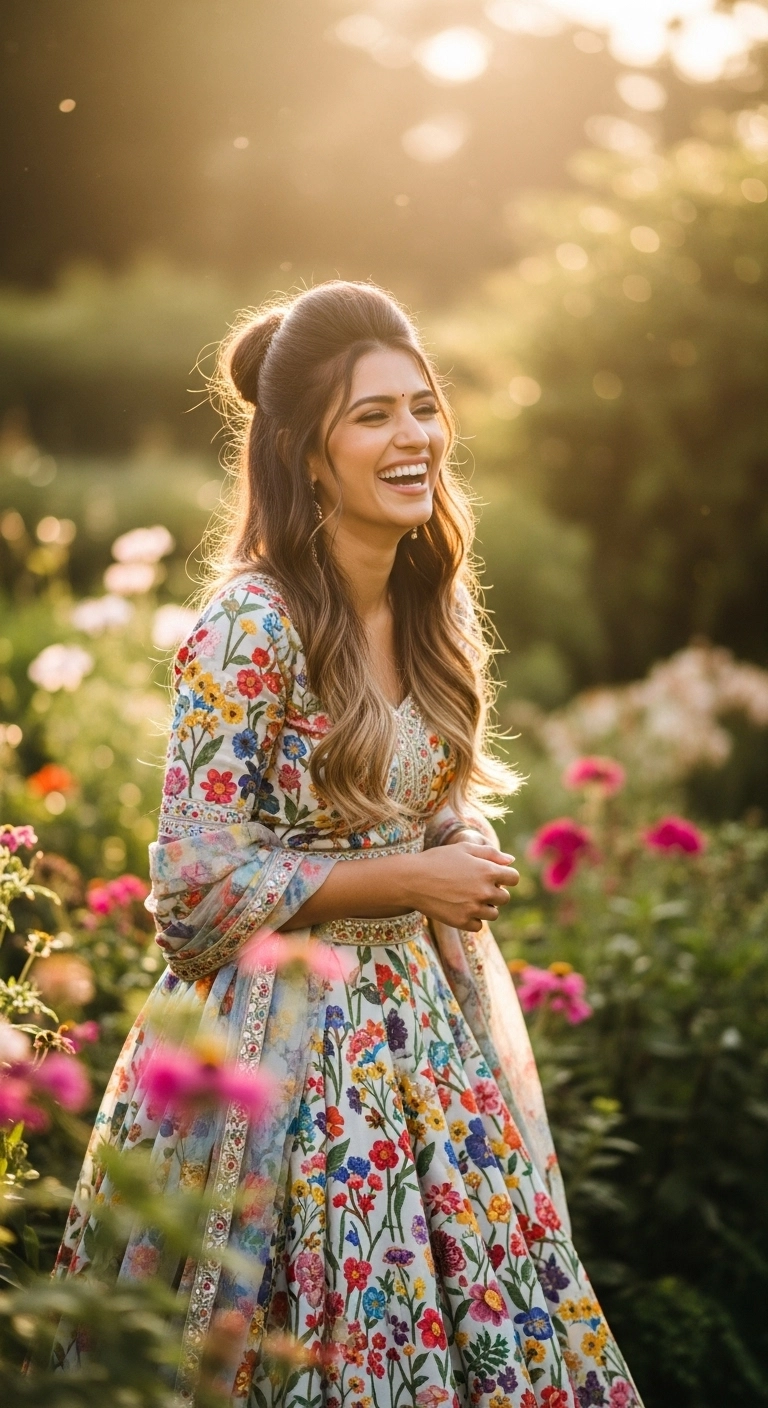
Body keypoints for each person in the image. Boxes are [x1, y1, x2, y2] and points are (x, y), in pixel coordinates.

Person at [53, 281, 641, 1407]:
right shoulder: (251, 622)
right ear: (304, 453)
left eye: (422, 406)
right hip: (279, 1048)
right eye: (372, 416)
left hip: (427, 1039)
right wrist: (410, 874)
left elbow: (410, 797)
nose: (414, 436)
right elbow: (191, 890)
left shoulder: (429, 598)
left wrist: (450, 841)